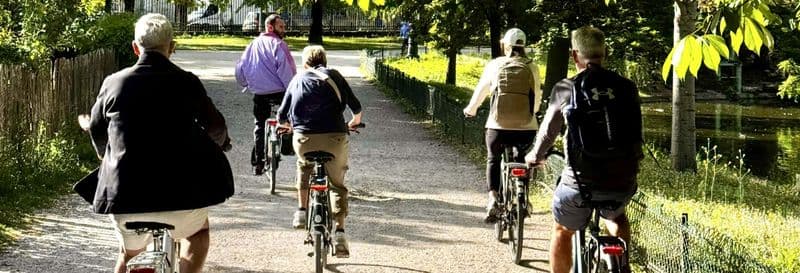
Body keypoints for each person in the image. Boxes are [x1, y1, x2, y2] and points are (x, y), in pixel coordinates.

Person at [83, 13, 233, 273]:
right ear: (172, 47)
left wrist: (103, 155)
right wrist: (219, 144)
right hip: (182, 199)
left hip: (125, 198)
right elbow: (216, 127)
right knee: (199, 234)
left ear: (134, 47)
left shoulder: (114, 84)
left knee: (128, 254)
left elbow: (97, 129)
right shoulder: (187, 82)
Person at [525, 26, 642, 273]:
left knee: (562, 229)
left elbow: (548, 131)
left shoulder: (567, 87)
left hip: (580, 182)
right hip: (622, 179)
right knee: (617, 217)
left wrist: (535, 156)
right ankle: (622, 266)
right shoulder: (627, 87)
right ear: (605, 52)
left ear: (574, 55)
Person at [277, 45, 363, 258]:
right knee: (337, 183)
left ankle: (301, 211)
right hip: (335, 136)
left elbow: (281, 115)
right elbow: (356, 107)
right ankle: (340, 232)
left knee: (304, 164)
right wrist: (353, 122)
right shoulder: (335, 76)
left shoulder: (297, 79)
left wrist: (289, 126)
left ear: (304, 63)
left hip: (304, 139)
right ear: (325, 61)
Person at [463, 28, 542, 223]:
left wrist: (470, 109)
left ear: (505, 45)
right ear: (524, 45)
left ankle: (493, 198)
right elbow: (537, 98)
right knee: (524, 160)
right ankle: (523, 198)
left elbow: (482, 90)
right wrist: (534, 113)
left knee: (493, 157)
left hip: (498, 126)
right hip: (526, 128)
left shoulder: (496, 64)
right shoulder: (533, 67)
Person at [235, 13, 297, 175]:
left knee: (259, 125)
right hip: (279, 92)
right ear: (270, 27)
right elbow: (287, 70)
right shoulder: (279, 44)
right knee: (288, 118)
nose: (284, 30)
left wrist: (245, 83)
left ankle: (258, 162)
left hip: (259, 93)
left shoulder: (252, 45)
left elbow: (240, 68)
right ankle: (286, 147)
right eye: (281, 27)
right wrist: (293, 90)